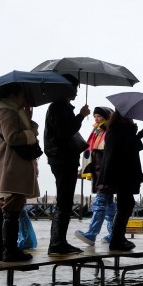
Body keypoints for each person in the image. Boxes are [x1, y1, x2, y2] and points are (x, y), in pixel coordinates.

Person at [0, 85, 40, 261]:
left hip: (6, 164)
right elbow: (12, 137)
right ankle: (10, 250)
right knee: (13, 204)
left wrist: (27, 119)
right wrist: (30, 132)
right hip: (12, 165)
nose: (24, 100)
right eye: (22, 96)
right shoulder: (8, 112)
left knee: (5, 204)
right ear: (12, 95)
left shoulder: (5, 112)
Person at [43, 74, 89, 255]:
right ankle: (57, 243)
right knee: (64, 201)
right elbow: (66, 131)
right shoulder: (60, 107)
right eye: (74, 88)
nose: (76, 92)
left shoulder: (58, 107)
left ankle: (59, 241)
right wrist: (81, 116)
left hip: (60, 158)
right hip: (62, 158)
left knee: (65, 201)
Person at [98, 111, 143, 251]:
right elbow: (129, 150)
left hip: (116, 173)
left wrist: (136, 136)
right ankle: (117, 240)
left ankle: (118, 237)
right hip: (124, 173)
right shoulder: (124, 129)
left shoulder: (113, 128)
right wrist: (136, 135)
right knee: (126, 205)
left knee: (125, 204)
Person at [75, 107, 117, 246]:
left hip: (104, 175)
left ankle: (91, 234)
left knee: (99, 204)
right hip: (100, 174)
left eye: (99, 116)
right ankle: (114, 234)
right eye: (95, 116)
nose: (96, 119)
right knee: (110, 207)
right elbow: (92, 154)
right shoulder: (97, 132)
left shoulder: (107, 132)